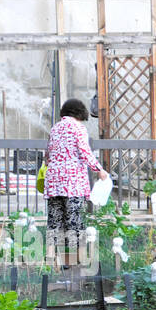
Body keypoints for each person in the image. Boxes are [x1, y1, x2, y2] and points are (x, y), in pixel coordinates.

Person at [44, 98, 108, 265]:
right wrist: (99, 169)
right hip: (73, 183)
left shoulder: (55, 128)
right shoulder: (78, 128)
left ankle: (50, 259)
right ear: (80, 113)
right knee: (75, 221)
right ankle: (77, 259)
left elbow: (47, 156)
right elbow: (85, 151)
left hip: (53, 182)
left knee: (54, 221)